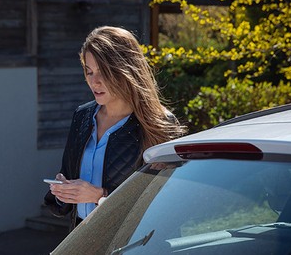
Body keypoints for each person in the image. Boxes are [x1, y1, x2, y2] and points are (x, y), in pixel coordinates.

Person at [45, 26, 186, 231]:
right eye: (89, 71)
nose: (94, 81)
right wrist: (63, 193)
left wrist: (100, 196)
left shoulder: (159, 123)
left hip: (132, 245)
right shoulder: (82, 117)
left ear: (125, 70)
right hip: (81, 237)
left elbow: (165, 202)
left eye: (103, 72)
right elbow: (66, 190)